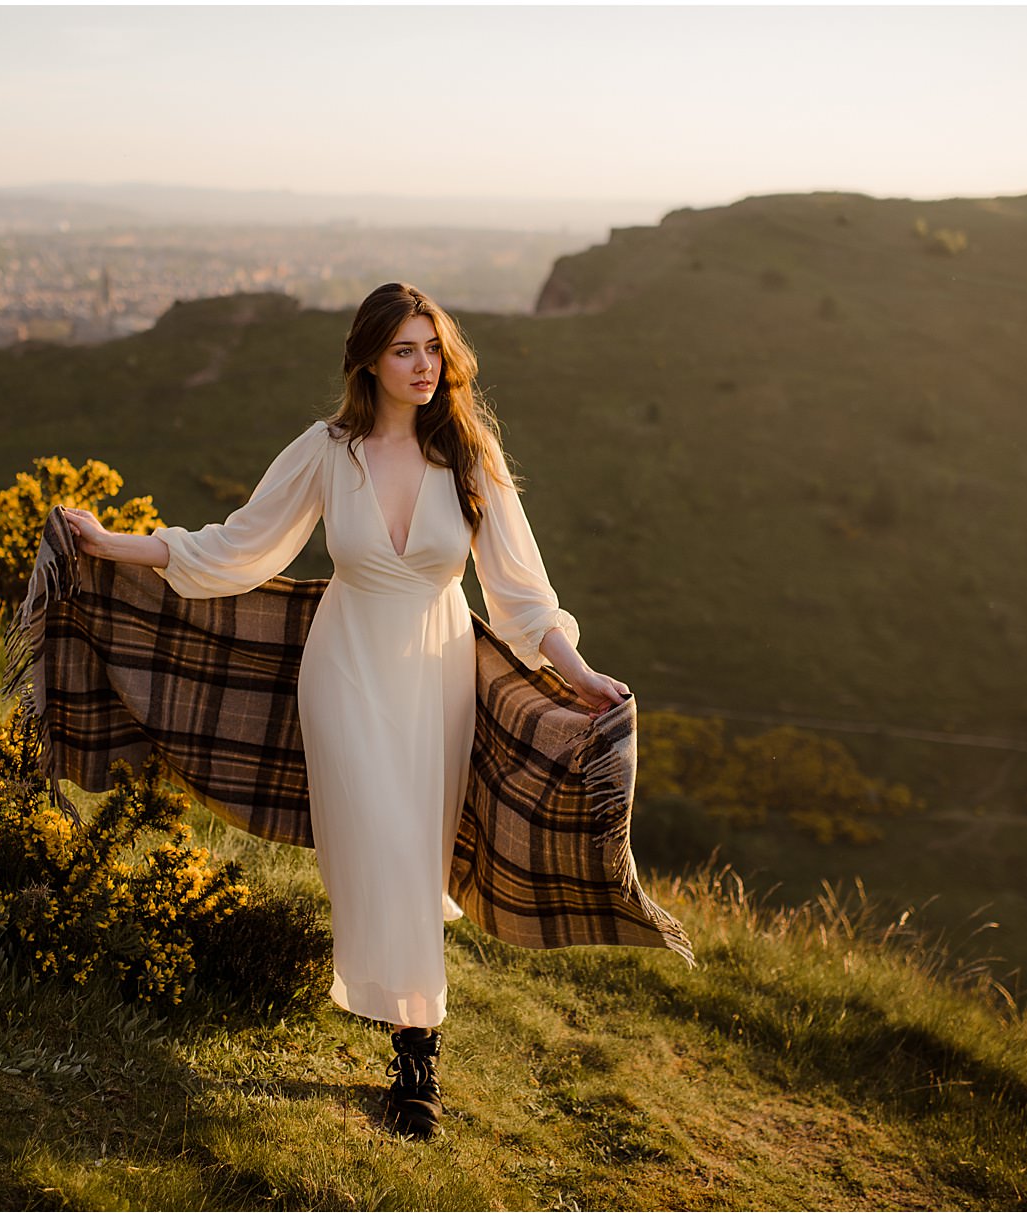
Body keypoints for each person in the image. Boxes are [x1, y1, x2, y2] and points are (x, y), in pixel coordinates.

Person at [60, 282, 630, 1139]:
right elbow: (236, 546)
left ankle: (412, 1052)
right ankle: (418, 1058)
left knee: (414, 852)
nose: (424, 365)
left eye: (433, 348)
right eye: (405, 350)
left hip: (435, 679)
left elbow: (520, 594)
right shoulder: (327, 451)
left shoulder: (470, 453)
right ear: (368, 358)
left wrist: (578, 673)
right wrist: (113, 544)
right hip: (344, 670)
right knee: (379, 843)